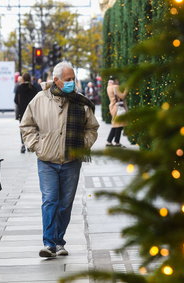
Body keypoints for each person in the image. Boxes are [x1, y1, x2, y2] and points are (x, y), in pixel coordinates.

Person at [20, 61, 99, 258]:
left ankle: (59, 241)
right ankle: (49, 243)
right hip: (47, 160)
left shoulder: (80, 102)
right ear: (56, 80)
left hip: (72, 160)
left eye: (73, 79)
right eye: (68, 79)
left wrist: (83, 144)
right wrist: (36, 146)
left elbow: (92, 127)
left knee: (65, 203)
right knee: (50, 200)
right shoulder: (40, 99)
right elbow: (26, 126)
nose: (72, 82)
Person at [14, 73, 38, 153]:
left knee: (23, 128)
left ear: (23, 79)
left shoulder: (19, 88)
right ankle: (29, 144)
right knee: (31, 128)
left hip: (22, 112)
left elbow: (16, 100)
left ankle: (23, 144)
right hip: (32, 112)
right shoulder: (33, 88)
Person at [106, 77, 128, 147]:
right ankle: (116, 142)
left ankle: (109, 141)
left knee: (116, 124)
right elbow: (122, 96)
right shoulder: (115, 87)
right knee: (119, 125)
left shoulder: (108, 87)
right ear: (115, 80)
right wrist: (126, 90)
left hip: (113, 107)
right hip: (118, 108)